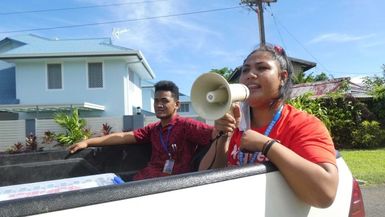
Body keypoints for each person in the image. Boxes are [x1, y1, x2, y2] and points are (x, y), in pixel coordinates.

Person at [199, 44, 338, 208]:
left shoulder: (304, 125)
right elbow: (203, 182)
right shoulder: (235, 122)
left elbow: (325, 195)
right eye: (245, 70)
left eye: (262, 68)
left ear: (282, 77)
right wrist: (223, 137)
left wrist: (267, 145)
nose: (250, 75)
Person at [68, 80, 214, 181]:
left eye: (164, 101)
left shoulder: (187, 125)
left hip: (171, 186)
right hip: (144, 181)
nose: (159, 105)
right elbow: (124, 137)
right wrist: (88, 142)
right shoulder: (153, 129)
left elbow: (217, 134)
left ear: (176, 104)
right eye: (156, 101)